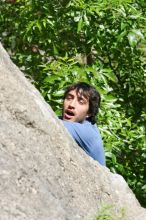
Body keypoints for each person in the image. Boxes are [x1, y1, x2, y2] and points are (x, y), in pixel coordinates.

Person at [60, 82, 106, 166]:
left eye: (81, 102)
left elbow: (50, 123)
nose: (71, 105)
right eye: (69, 98)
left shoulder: (88, 132)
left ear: (89, 112)